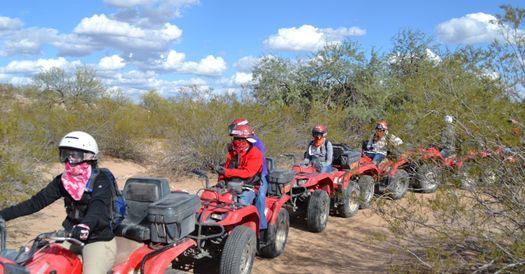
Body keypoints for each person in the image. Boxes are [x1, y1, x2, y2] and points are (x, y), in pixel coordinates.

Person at [0, 131, 116, 274]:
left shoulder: (101, 179)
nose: (69, 159)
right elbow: (36, 202)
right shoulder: (64, 180)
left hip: (97, 239)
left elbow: (98, 207)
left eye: (74, 155)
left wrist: (85, 225)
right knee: (41, 262)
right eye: (65, 154)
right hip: (70, 237)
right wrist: (3, 215)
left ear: (89, 156)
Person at [228, 118, 268, 230]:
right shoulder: (236, 143)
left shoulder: (257, 143)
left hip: (259, 174)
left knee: (260, 196)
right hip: (240, 175)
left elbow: (252, 166)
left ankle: (261, 226)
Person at [215, 124, 264, 208]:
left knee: (241, 204)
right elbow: (226, 168)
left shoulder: (255, 154)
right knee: (211, 199)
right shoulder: (233, 153)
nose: (234, 141)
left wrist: (227, 172)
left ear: (244, 140)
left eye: (237, 139)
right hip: (230, 186)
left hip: (248, 187)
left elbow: (248, 173)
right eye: (234, 138)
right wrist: (221, 180)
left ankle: (256, 220)